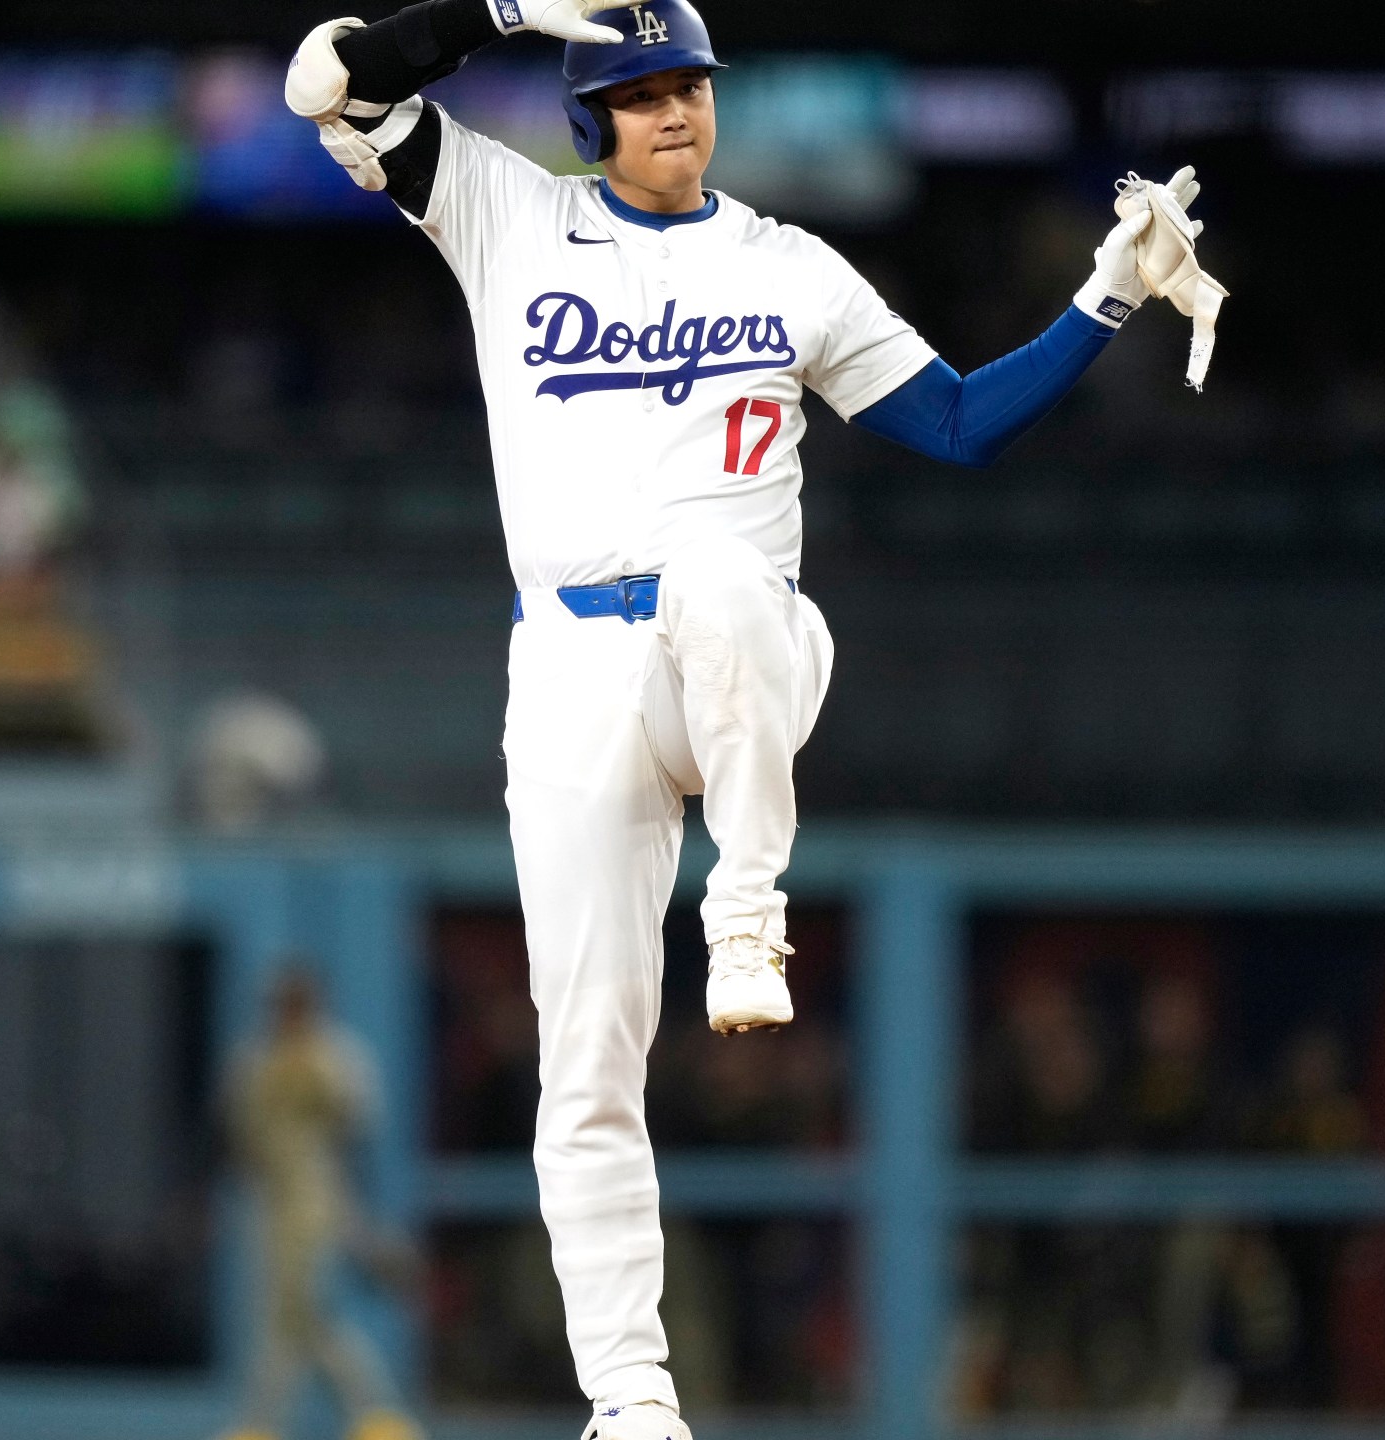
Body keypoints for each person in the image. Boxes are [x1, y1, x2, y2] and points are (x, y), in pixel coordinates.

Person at [282, 5, 1212, 1437]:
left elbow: (957, 424)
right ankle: (634, 1403)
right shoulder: (506, 213)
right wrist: (505, 14)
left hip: (753, 661)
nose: (674, 112)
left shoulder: (789, 269)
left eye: (690, 88)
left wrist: (1104, 299)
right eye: (642, 91)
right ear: (591, 114)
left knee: (717, 572)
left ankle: (748, 905)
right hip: (575, 667)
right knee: (583, 1057)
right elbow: (323, 80)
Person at [223, 971, 421, 1440]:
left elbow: (357, 1132)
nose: (287, 1013)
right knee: (290, 1313)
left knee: (295, 1308)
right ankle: (374, 1417)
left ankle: (270, 1425)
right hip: (269, 1203)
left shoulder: (334, 1057)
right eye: (281, 1004)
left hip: (319, 1200)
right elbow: (238, 1132)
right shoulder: (256, 1057)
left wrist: (361, 1219)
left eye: (296, 1004)